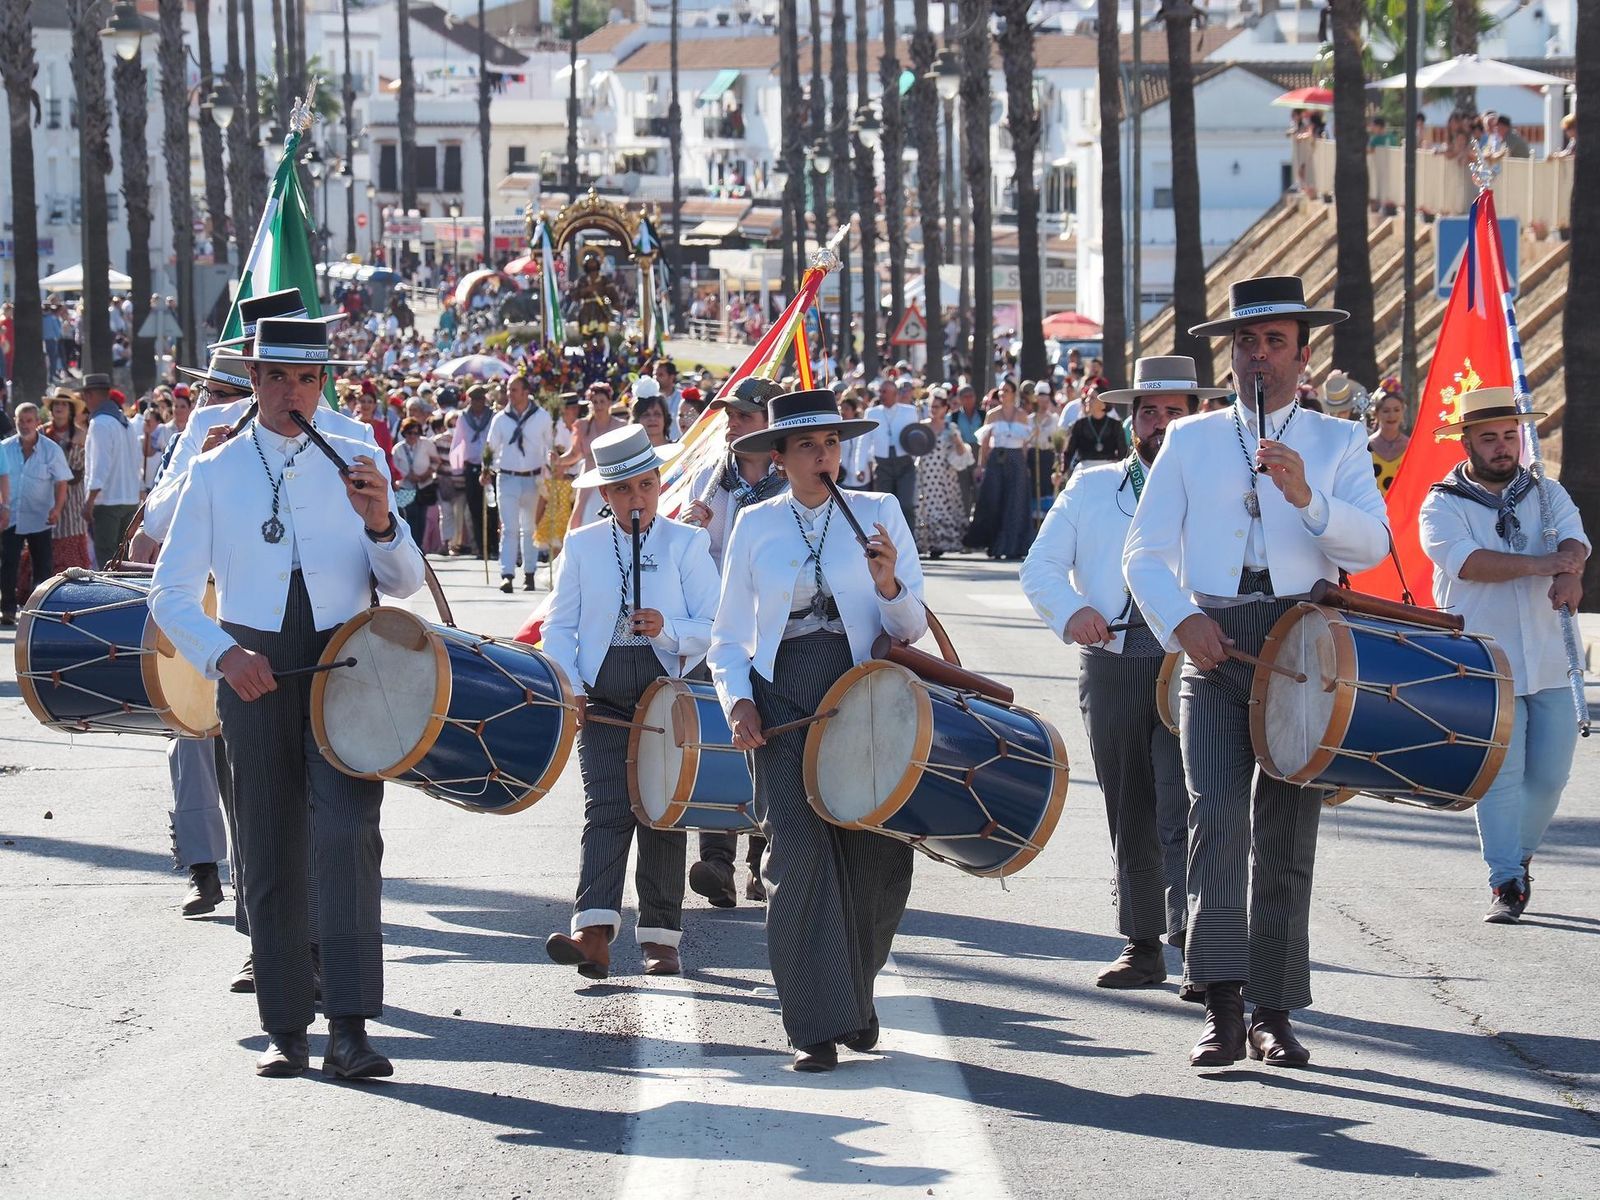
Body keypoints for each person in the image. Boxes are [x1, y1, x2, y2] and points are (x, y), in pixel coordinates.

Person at [1124, 275, 1390, 1068]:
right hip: (1214, 643)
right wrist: (1183, 623)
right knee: (1216, 819)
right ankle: (1221, 1005)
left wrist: (1308, 498)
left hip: (1301, 644)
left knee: (1286, 829)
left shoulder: (1339, 443)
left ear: (1303, 355)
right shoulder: (1191, 439)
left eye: (1275, 341)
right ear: (1230, 354)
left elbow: (1370, 548)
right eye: (1247, 341)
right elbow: (1142, 552)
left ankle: (1276, 1009)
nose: (1259, 356)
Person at [149, 316, 425, 1079]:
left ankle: (351, 1028)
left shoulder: (360, 456)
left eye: (306, 379)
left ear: (321, 383)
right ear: (255, 381)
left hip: (346, 664)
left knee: (348, 838)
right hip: (251, 668)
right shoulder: (214, 471)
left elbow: (404, 581)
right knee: (268, 845)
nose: (291, 392)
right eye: (276, 377)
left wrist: (381, 521)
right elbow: (169, 594)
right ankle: (285, 1027)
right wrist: (224, 655)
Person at [708, 388, 926, 1073]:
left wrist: (890, 585)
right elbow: (727, 637)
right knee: (797, 860)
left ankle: (853, 1000)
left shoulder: (880, 513)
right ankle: (815, 1026)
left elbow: (911, 627)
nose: (822, 455)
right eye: (806, 445)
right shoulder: (755, 523)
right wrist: (738, 702)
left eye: (831, 443)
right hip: (784, 699)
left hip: (865, 695)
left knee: (879, 862)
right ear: (779, 457)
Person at [1023, 358, 1229, 989]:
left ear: (1197, 416)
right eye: (1149, 412)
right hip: (1112, 664)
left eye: (1175, 412)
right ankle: (1142, 943)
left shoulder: (1225, 488)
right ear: (1130, 420)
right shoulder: (1090, 487)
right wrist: (1074, 611)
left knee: (1194, 803)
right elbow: (1041, 568)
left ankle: (1199, 942)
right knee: (1130, 806)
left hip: (1196, 664)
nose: (1161, 424)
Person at [541, 425, 721, 979]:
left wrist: (667, 630)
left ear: (659, 483)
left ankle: (661, 936)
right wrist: (570, 686)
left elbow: (715, 626)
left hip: (666, 690)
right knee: (606, 807)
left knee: (662, 811)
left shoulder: (687, 543)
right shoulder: (582, 545)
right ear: (605, 495)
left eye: (645, 485)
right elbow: (558, 626)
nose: (635, 498)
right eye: (622, 490)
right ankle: (592, 931)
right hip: (602, 694)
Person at [1419, 388, 1589, 923]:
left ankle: (1519, 855)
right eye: (1488, 438)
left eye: (1510, 436)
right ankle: (1506, 880)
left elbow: (1576, 540)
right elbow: (1468, 564)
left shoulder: (1546, 491)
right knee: (1503, 774)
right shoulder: (1441, 502)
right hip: (1483, 661)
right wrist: (1548, 567)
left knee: (1551, 777)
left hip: (1550, 656)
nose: (1502, 447)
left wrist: (1571, 568)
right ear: (1466, 441)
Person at [680, 377, 789, 906]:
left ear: (769, 425)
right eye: (731, 415)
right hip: (717, 626)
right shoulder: (711, 475)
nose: (733, 422)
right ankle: (716, 860)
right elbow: (698, 549)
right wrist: (693, 528)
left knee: (768, 734)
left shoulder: (793, 480)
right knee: (719, 733)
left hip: (772, 628)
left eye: (745, 415)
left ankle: (761, 860)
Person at [1, 404, 73, 625]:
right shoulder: (5, 447)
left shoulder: (51, 450)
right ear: (15, 421)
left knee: (42, 565)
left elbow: (62, 482)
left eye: (29, 420)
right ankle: (8, 610)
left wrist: (57, 509)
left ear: (37, 422)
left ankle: (39, 612)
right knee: (8, 563)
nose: (25, 425)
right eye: (21, 420)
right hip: (11, 515)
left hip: (40, 517)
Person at [484, 372, 554, 594]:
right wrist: (485, 468)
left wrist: (551, 467)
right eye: (508, 390)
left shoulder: (542, 416)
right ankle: (507, 574)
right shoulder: (500, 419)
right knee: (509, 528)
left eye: (513, 390)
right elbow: (490, 447)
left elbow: (550, 445)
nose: (509, 394)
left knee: (530, 528)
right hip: (507, 477)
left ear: (525, 392)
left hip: (533, 478)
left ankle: (530, 573)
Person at [963, 383, 1034, 560]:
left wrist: (1025, 466)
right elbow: (985, 444)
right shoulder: (992, 415)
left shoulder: (1022, 415)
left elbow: (1025, 445)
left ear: (1014, 394)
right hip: (997, 459)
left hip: (1016, 459)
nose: (1003, 394)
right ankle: (995, 544)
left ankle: (1014, 545)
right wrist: (981, 465)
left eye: (1007, 391)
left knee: (1015, 502)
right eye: (1001, 391)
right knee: (994, 500)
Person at [78, 374, 142, 568]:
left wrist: (89, 501)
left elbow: (99, 466)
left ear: (89, 395)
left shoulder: (100, 424)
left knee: (107, 559)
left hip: (108, 502)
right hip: (129, 500)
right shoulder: (125, 423)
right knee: (125, 562)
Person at [914, 387, 970, 557]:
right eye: (932, 406)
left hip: (945, 475)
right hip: (925, 473)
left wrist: (957, 441)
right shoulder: (922, 426)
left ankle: (942, 542)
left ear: (945, 408)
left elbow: (961, 453)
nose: (934, 409)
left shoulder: (950, 428)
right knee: (925, 507)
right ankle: (925, 542)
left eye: (937, 406)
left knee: (944, 507)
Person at [863, 377, 921, 530]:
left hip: (905, 463)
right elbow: (864, 443)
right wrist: (860, 466)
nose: (881, 395)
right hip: (882, 465)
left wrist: (914, 457)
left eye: (885, 392)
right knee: (884, 506)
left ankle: (911, 542)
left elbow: (916, 437)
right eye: (880, 391)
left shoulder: (909, 411)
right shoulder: (872, 412)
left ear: (895, 394)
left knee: (906, 504)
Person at [536, 393, 586, 564]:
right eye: (571, 408)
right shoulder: (554, 429)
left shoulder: (582, 426)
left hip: (577, 479)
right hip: (557, 480)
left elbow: (580, 453)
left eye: (576, 408)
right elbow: (548, 454)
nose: (574, 411)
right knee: (557, 528)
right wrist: (559, 467)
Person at [451, 383, 496, 561]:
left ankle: (493, 546)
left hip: (490, 467)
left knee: (492, 508)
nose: (478, 403)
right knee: (475, 509)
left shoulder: (492, 416)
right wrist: (456, 467)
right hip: (471, 467)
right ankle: (480, 548)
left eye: (481, 399)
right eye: (475, 399)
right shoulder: (463, 417)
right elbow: (458, 442)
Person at [394, 418, 439, 550]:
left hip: (424, 486)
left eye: (416, 433)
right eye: (409, 433)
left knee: (421, 518)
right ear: (404, 433)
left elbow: (436, 461)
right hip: (406, 487)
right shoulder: (398, 449)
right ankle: (410, 546)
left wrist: (427, 473)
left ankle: (419, 546)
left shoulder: (426, 444)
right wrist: (408, 475)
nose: (413, 436)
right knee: (409, 516)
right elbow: (395, 468)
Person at [1064, 386, 1129, 470]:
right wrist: (1061, 471)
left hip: (1108, 470)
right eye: (1087, 397)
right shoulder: (1079, 425)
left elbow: (1123, 454)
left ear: (1103, 402)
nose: (1087, 401)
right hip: (1084, 471)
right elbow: (1069, 452)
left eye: (1092, 398)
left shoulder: (1115, 425)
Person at [1368, 383, 1410, 495]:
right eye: (1386, 411)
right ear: (1376, 413)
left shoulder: (1412, 447)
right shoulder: (1364, 447)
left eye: (1396, 410)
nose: (1392, 415)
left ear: (1403, 411)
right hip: (1371, 510)